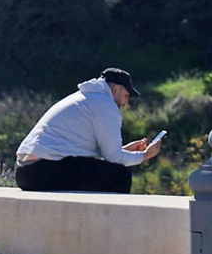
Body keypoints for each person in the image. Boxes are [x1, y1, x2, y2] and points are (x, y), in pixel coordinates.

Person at [14, 68, 162, 193]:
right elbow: (114, 159)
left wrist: (124, 150)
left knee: (99, 170)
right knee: (120, 175)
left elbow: (81, 151)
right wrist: (144, 155)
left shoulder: (83, 97)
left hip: (23, 171)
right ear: (115, 89)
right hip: (43, 170)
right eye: (126, 96)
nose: (125, 103)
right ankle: (109, 226)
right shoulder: (105, 105)